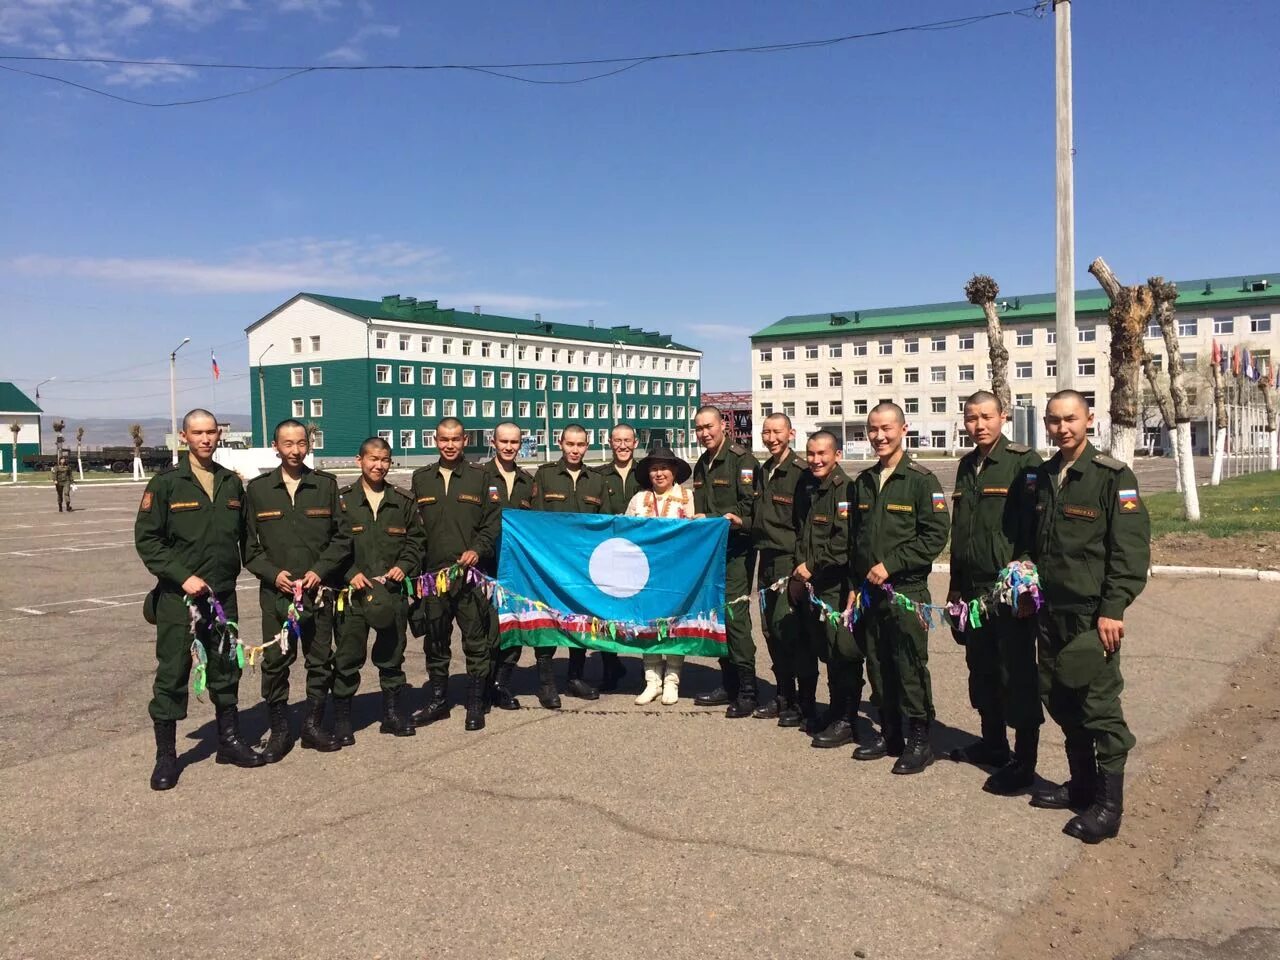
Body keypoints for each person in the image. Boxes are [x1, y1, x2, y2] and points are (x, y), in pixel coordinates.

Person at [1022, 390, 1149, 843]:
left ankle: (1108, 807)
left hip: (1091, 617)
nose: (1063, 428)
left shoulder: (1112, 476)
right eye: (1054, 421)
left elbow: (1130, 553)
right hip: (1050, 613)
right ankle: (1080, 786)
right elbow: (1035, 544)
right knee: (1058, 697)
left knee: (1098, 708)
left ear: (1089, 419)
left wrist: (1113, 610)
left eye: (1071, 419)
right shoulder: (1045, 475)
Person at [135, 409, 263, 790]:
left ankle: (229, 741)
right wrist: (182, 577)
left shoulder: (230, 483)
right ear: (184, 436)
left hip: (222, 596)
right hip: (179, 599)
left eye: (211, 432)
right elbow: (148, 541)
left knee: (226, 667)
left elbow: (246, 537)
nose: (206, 439)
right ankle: (167, 757)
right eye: (198, 433)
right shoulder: (167, 484)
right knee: (173, 672)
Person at [947, 391, 1044, 794]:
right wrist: (955, 590)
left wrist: (1025, 584)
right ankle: (993, 745)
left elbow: (1035, 530)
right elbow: (961, 535)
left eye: (986, 416)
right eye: (972, 418)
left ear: (1003, 417)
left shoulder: (1024, 463)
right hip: (971, 591)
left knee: (1017, 675)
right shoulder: (967, 466)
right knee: (982, 669)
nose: (979, 425)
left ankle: (1024, 763)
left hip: (1008, 590)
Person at [846, 402, 949, 775]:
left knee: (908, 665)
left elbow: (936, 534)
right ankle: (890, 733)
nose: (879, 436)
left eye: (887, 428)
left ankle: (920, 740)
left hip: (906, 591)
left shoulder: (922, 480)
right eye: (873, 429)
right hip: (869, 593)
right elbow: (856, 539)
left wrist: (891, 565)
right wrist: (857, 585)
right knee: (877, 662)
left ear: (903, 429)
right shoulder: (864, 481)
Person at [244, 419, 352, 761]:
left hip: (317, 594)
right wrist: (273, 575)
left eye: (301, 443)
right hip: (277, 596)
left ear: (309, 444)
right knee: (275, 663)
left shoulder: (325, 485)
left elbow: (343, 537)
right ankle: (279, 730)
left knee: (320, 661)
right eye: (287, 443)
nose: (295, 450)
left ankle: (312, 725)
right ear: (276, 446)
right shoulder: (258, 490)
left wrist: (319, 572)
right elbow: (249, 547)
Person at [409, 417, 500, 732]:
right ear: (436, 440)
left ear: (464, 441)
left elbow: (492, 522)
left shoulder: (481, 477)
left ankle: (475, 704)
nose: (450, 445)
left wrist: (478, 548)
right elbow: (414, 529)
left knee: (476, 642)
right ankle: (438, 702)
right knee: (435, 642)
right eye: (444, 439)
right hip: (434, 578)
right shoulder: (421, 479)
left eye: (456, 439)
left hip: (470, 576)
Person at [333, 437, 425, 744]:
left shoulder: (402, 500)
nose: (379, 465)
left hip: (391, 592)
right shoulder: (343, 501)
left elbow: (416, 541)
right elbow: (330, 544)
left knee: (392, 656)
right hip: (353, 596)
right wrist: (349, 573)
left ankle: (392, 715)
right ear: (359, 460)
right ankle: (343, 719)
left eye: (385, 459)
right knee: (348, 658)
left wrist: (405, 565)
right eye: (373, 459)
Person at [529, 423, 613, 707]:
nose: (575, 450)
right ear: (560, 443)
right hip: (550, 565)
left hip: (584, 568)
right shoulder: (545, 474)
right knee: (547, 621)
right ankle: (546, 683)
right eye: (570, 444)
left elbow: (606, 524)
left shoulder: (596, 480)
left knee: (580, 621)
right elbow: (536, 520)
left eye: (580, 445)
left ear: (586, 446)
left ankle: (575, 677)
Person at [793, 430, 862, 747]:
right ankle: (835, 712)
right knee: (829, 653)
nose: (816, 460)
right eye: (810, 453)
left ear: (836, 454)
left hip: (835, 585)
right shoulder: (811, 487)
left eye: (822, 453)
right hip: (816, 587)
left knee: (844, 653)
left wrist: (812, 566)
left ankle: (848, 720)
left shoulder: (844, 489)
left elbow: (843, 542)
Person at [691, 405, 760, 717]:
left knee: (735, 616)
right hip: (713, 553)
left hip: (737, 550)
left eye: (709, 426)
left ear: (723, 426)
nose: (705, 433)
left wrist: (721, 518)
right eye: (699, 428)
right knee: (718, 616)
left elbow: (750, 508)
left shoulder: (742, 460)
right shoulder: (702, 464)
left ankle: (748, 689)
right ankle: (729, 682)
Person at [623, 438, 696, 705]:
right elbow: (626, 533)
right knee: (647, 625)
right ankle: (651, 679)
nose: (659, 473)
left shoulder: (688, 498)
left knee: (675, 624)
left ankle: (672, 679)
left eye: (665, 467)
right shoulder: (639, 499)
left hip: (677, 573)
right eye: (654, 468)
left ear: (674, 471)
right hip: (644, 574)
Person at [748, 413, 808, 724]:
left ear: (791, 433)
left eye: (777, 432)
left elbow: (806, 524)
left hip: (788, 561)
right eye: (766, 432)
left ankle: (802, 702)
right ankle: (784, 694)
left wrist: (801, 565)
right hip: (766, 560)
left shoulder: (800, 472)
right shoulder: (763, 470)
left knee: (791, 630)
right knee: (771, 629)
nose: (771, 438)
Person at [481, 421, 535, 710]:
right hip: (486, 566)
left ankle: (502, 684)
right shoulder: (479, 476)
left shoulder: (528, 481)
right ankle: (484, 684)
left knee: (513, 625)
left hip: (516, 567)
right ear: (493, 441)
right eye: (504, 441)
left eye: (514, 442)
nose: (509, 447)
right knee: (486, 627)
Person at [593, 422, 641, 691]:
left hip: (639, 555)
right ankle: (610, 665)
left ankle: (652, 670)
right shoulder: (598, 476)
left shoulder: (646, 474)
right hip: (608, 555)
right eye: (617, 440)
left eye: (627, 440)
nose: (622, 445)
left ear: (635, 443)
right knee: (605, 611)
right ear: (609, 442)